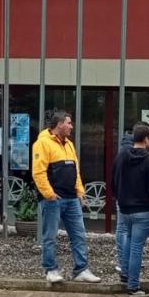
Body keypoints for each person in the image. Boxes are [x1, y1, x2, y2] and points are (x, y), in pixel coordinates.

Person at [32, 110, 100, 284]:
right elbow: (39, 172)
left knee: (79, 234)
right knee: (50, 236)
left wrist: (80, 191)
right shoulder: (42, 143)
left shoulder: (68, 144)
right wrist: (49, 194)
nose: (71, 126)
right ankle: (51, 269)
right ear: (59, 124)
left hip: (71, 198)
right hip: (53, 199)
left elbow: (75, 170)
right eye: (68, 123)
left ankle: (81, 269)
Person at [111, 122, 149, 297]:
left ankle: (125, 274)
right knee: (136, 247)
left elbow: (114, 180)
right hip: (143, 210)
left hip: (125, 208)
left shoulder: (121, 156)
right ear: (146, 138)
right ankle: (133, 286)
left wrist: (119, 198)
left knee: (128, 240)